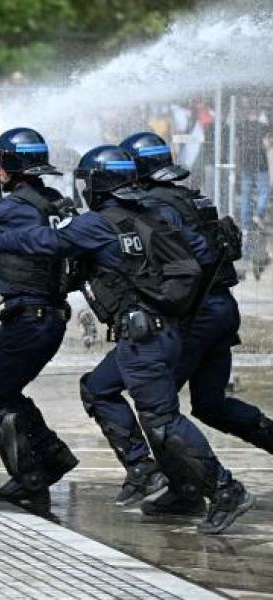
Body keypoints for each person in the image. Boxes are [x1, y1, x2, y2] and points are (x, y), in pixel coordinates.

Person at [0, 145, 255, 534]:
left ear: (98, 184)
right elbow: (201, 253)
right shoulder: (152, 212)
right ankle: (160, 477)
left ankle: (224, 489)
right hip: (166, 328)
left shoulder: (98, 224)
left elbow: (41, 241)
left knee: (163, 420)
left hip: (143, 336)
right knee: (110, 393)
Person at [120, 131, 272, 516]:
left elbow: (194, 258)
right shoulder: (193, 197)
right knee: (210, 404)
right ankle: (187, 485)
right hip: (221, 307)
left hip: (197, 314)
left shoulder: (157, 205)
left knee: (158, 407)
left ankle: (200, 488)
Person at [0, 128, 79, 504]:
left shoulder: (11, 208)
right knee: (7, 391)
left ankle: (30, 479)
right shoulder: (54, 201)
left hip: (31, 317)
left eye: (1, 164)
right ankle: (52, 455)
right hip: (50, 316)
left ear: (14, 166)